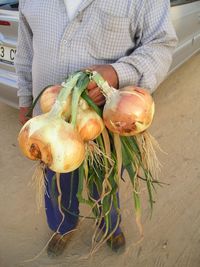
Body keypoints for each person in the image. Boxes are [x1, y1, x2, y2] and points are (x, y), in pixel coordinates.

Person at [15, 0, 178, 257]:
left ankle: (109, 225)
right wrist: (25, 99)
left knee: (104, 181)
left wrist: (116, 73)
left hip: (104, 129)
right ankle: (63, 226)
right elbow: (26, 50)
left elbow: (160, 44)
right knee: (56, 182)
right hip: (49, 128)